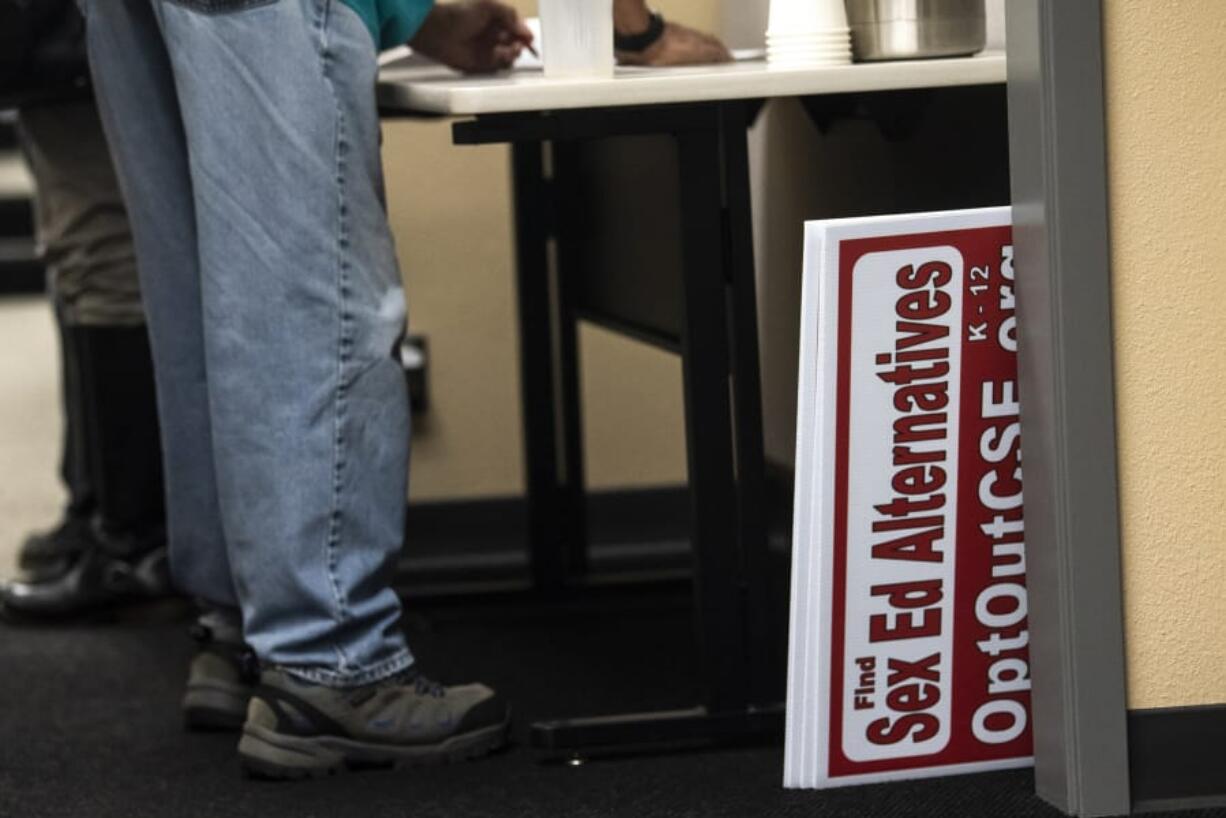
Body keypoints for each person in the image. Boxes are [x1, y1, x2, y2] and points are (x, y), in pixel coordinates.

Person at [0, 0, 174, 618]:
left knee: (101, 257)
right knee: (77, 252)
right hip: (63, 37)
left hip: (79, 30)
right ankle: (102, 513)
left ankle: (131, 540)